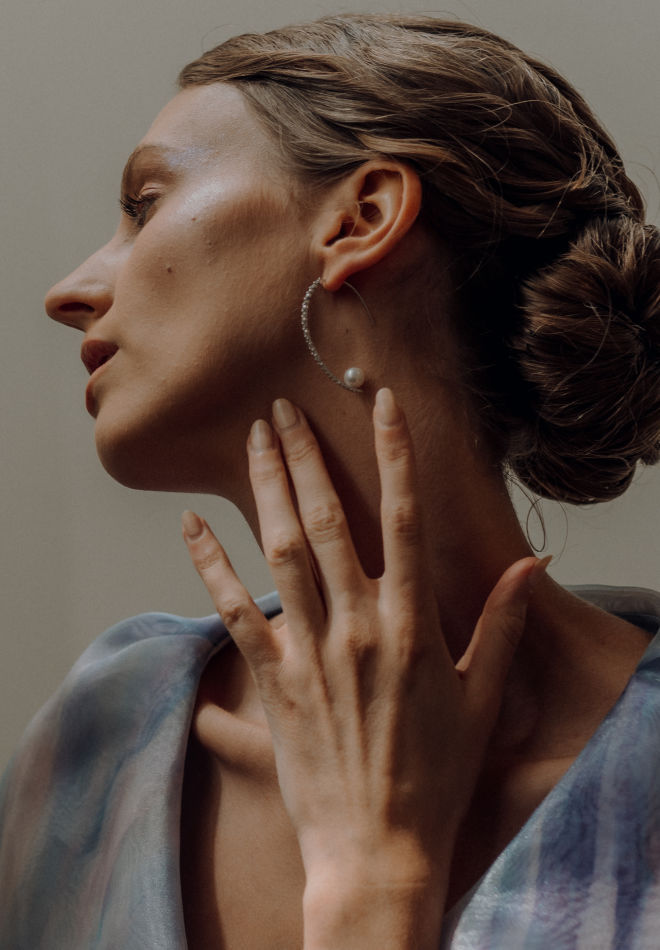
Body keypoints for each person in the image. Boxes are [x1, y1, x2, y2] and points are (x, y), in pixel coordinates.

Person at [1, 11, 660, 949]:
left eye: (145, 204)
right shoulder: (94, 751)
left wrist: (378, 878)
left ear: (361, 219)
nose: (67, 293)